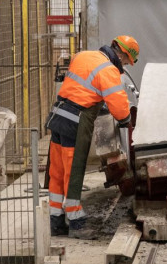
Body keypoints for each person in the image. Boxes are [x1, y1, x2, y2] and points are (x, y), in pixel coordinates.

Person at [45, 35, 139, 238]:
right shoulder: (108, 70)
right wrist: (125, 120)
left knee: (57, 171)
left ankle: (56, 221)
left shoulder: (83, 56)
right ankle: (76, 222)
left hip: (58, 116)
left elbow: (82, 88)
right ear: (121, 53)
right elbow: (119, 106)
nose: (123, 64)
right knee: (73, 171)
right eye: (125, 61)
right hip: (76, 122)